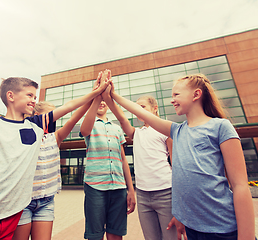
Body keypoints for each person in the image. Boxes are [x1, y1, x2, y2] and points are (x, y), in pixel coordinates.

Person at [0, 75, 110, 240]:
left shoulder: (37, 127)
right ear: (11, 96)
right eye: (30, 95)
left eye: (35, 96)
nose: (34, 100)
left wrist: (96, 92)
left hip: (11, 216)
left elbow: (70, 106)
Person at [109, 73, 255, 240]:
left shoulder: (221, 127)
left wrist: (246, 236)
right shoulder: (176, 131)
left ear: (196, 94)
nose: (172, 100)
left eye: (176, 95)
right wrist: (112, 94)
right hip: (193, 229)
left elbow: (240, 186)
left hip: (222, 230)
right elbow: (182, 181)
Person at [12, 76, 102, 240]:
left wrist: (94, 96)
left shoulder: (56, 137)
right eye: (51, 115)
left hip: (46, 201)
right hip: (23, 201)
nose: (55, 120)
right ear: (37, 115)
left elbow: (74, 116)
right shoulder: (23, 135)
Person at [102, 86, 177, 240]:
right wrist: (108, 94)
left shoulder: (166, 129)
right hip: (143, 195)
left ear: (155, 108)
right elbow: (121, 117)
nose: (138, 111)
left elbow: (176, 165)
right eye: (136, 108)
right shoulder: (136, 133)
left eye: (142, 107)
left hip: (166, 192)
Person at [80, 70, 136, 240]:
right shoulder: (90, 123)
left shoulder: (117, 128)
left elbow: (123, 160)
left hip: (118, 188)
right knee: (95, 235)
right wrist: (97, 94)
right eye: (99, 101)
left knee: (116, 232)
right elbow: (84, 130)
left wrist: (130, 189)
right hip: (95, 186)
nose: (102, 103)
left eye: (105, 100)